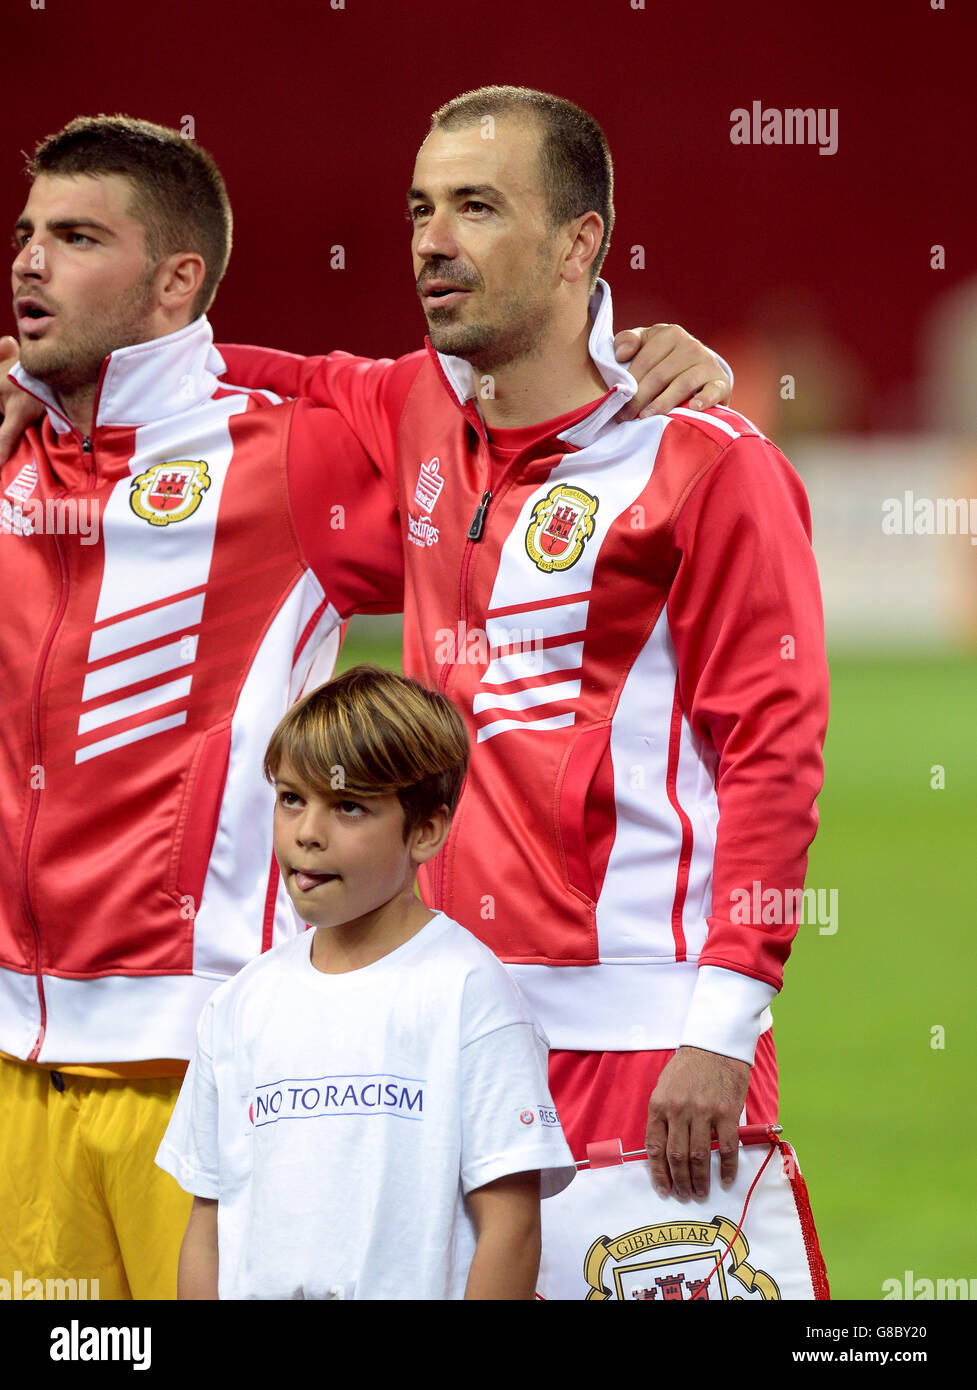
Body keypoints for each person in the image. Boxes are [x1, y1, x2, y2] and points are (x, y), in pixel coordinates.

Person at [0, 112, 730, 1299]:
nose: (30, 260)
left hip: (202, 1056)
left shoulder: (294, 456)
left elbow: (512, 439)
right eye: (27, 233)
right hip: (12, 1071)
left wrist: (627, 364)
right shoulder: (13, 445)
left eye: (76, 236)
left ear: (179, 278)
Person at [216, 86, 831, 1219]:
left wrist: (719, 1026)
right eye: (418, 209)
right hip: (450, 1029)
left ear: (576, 243)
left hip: (645, 1046)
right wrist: (32, 379)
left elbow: (773, 756)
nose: (431, 242)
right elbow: (235, 379)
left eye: (477, 208)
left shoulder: (705, 462)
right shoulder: (406, 408)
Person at [157, 664, 576, 1300]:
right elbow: (209, 1224)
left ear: (427, 830)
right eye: (292, 798)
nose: (307, 833)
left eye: (348, 807)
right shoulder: (238, 1005)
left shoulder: (470, 994)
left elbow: (511, 1228)